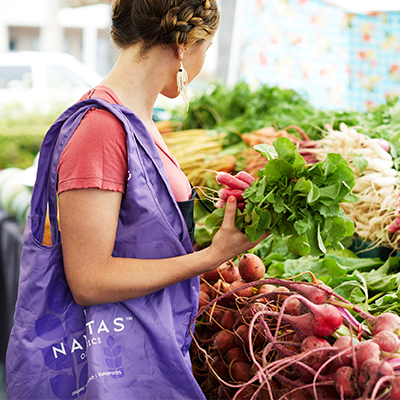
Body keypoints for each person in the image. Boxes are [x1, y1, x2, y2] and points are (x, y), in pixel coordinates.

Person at [6, 1, 266, 399]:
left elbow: (141, 232)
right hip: (111, 369)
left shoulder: (138, 118)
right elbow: (89, 281)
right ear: (183, 44)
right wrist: (209, 257)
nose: (202, 65)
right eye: (206, 49)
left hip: (143, 353)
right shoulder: (101, 129)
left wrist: (223, 214)